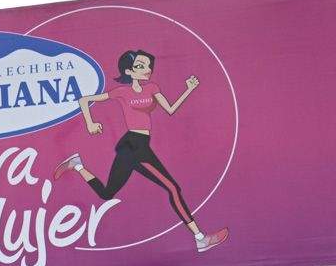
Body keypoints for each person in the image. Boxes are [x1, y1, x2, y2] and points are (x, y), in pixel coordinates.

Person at [57, 49, 229, 253]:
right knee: (173, 188)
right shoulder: (121, 92)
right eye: (140, 66)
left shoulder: (152, 88)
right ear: (128, 71)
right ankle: (200, 238)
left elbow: (171, 109)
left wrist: (188, 89)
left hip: (138, 145)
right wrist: (90, 123)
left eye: (148, 66)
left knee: (106, 193)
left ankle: (77, 166)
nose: (146, 70)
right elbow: (84, 100)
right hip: (133, 145)